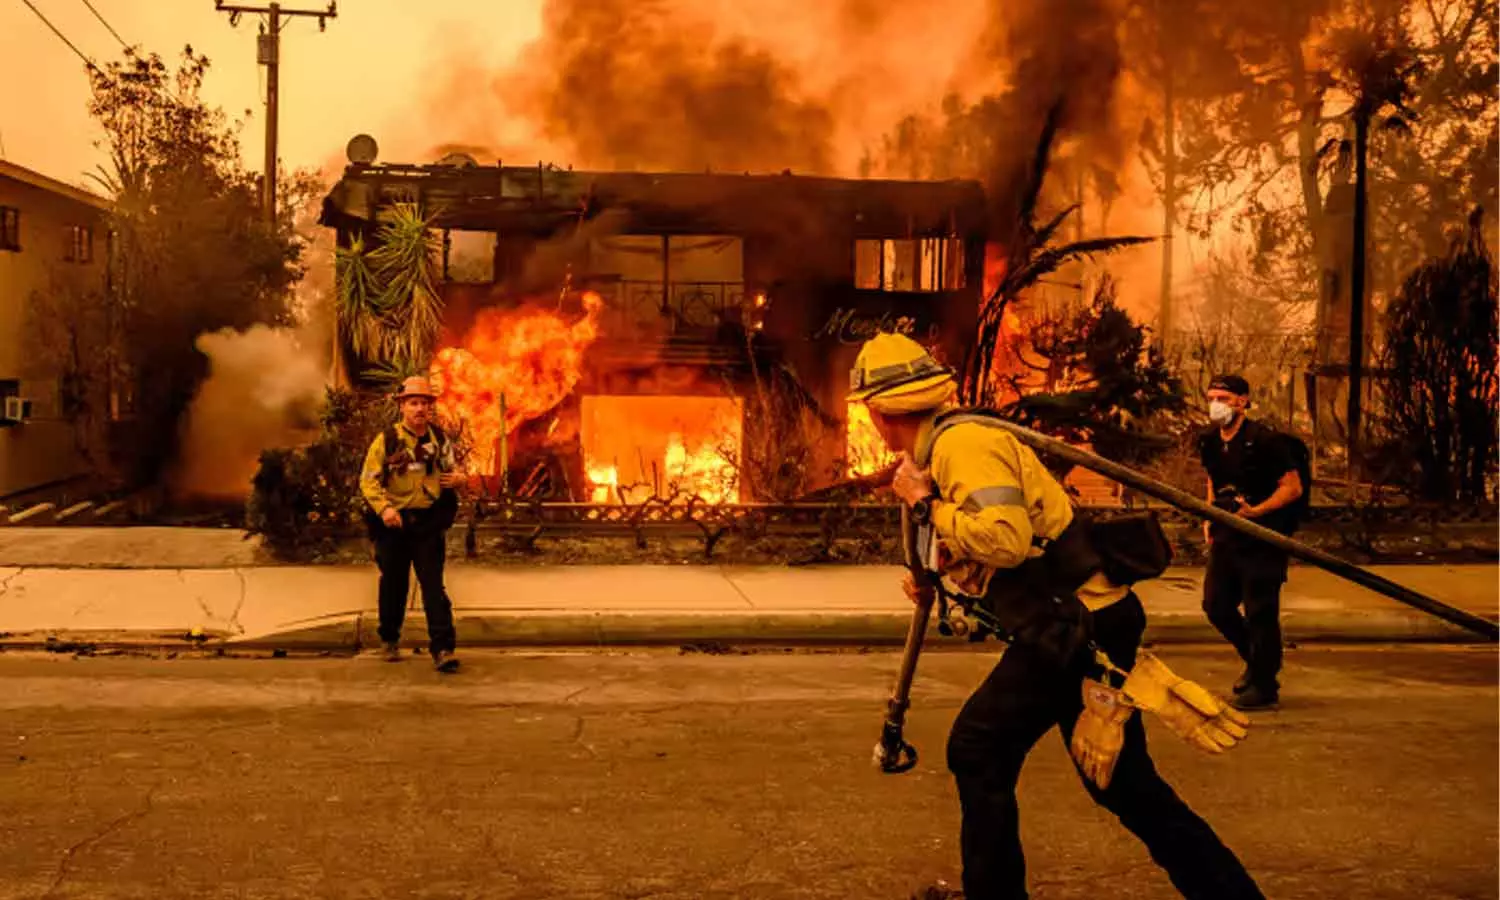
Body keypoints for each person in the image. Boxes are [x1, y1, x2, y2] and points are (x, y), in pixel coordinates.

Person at [849, 333, 1264, 900]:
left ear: (877, 412)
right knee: (1122, 785)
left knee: (978, 747)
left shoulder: (959, 446)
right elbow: (994, 541)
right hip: (1082, 619)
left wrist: (925, 504)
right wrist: (939, 564)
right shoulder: (946, 445)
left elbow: (1006, 539)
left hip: (1077, 625)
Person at [1196, 374, 1304, 710]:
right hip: (1227, 535)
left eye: (1224, 399)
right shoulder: (1210, 441)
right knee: (1216, 605)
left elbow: (1292, 488)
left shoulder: (1267, 441)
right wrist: (1208, 517)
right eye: (1212, 398)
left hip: (1263, 537)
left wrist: (1255, 512)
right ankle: (1258, 664)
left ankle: (1264, 683)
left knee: (1260, 611)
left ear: (1243, 401)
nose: (1217, 405)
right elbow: (1213, 481)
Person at [359, 376, 465, 672]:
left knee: (433, 587)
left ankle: (443, 649)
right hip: (394, 525)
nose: (420, 409)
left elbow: (454, 471)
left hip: (428, 524)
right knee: (394, 584)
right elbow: (368, 482)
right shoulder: (387, 440)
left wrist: (459, 479)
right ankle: (389, 638)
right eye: (413, 403)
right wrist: (384, 510)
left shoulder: (439, 440)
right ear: (402, 407)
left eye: (424, 403)